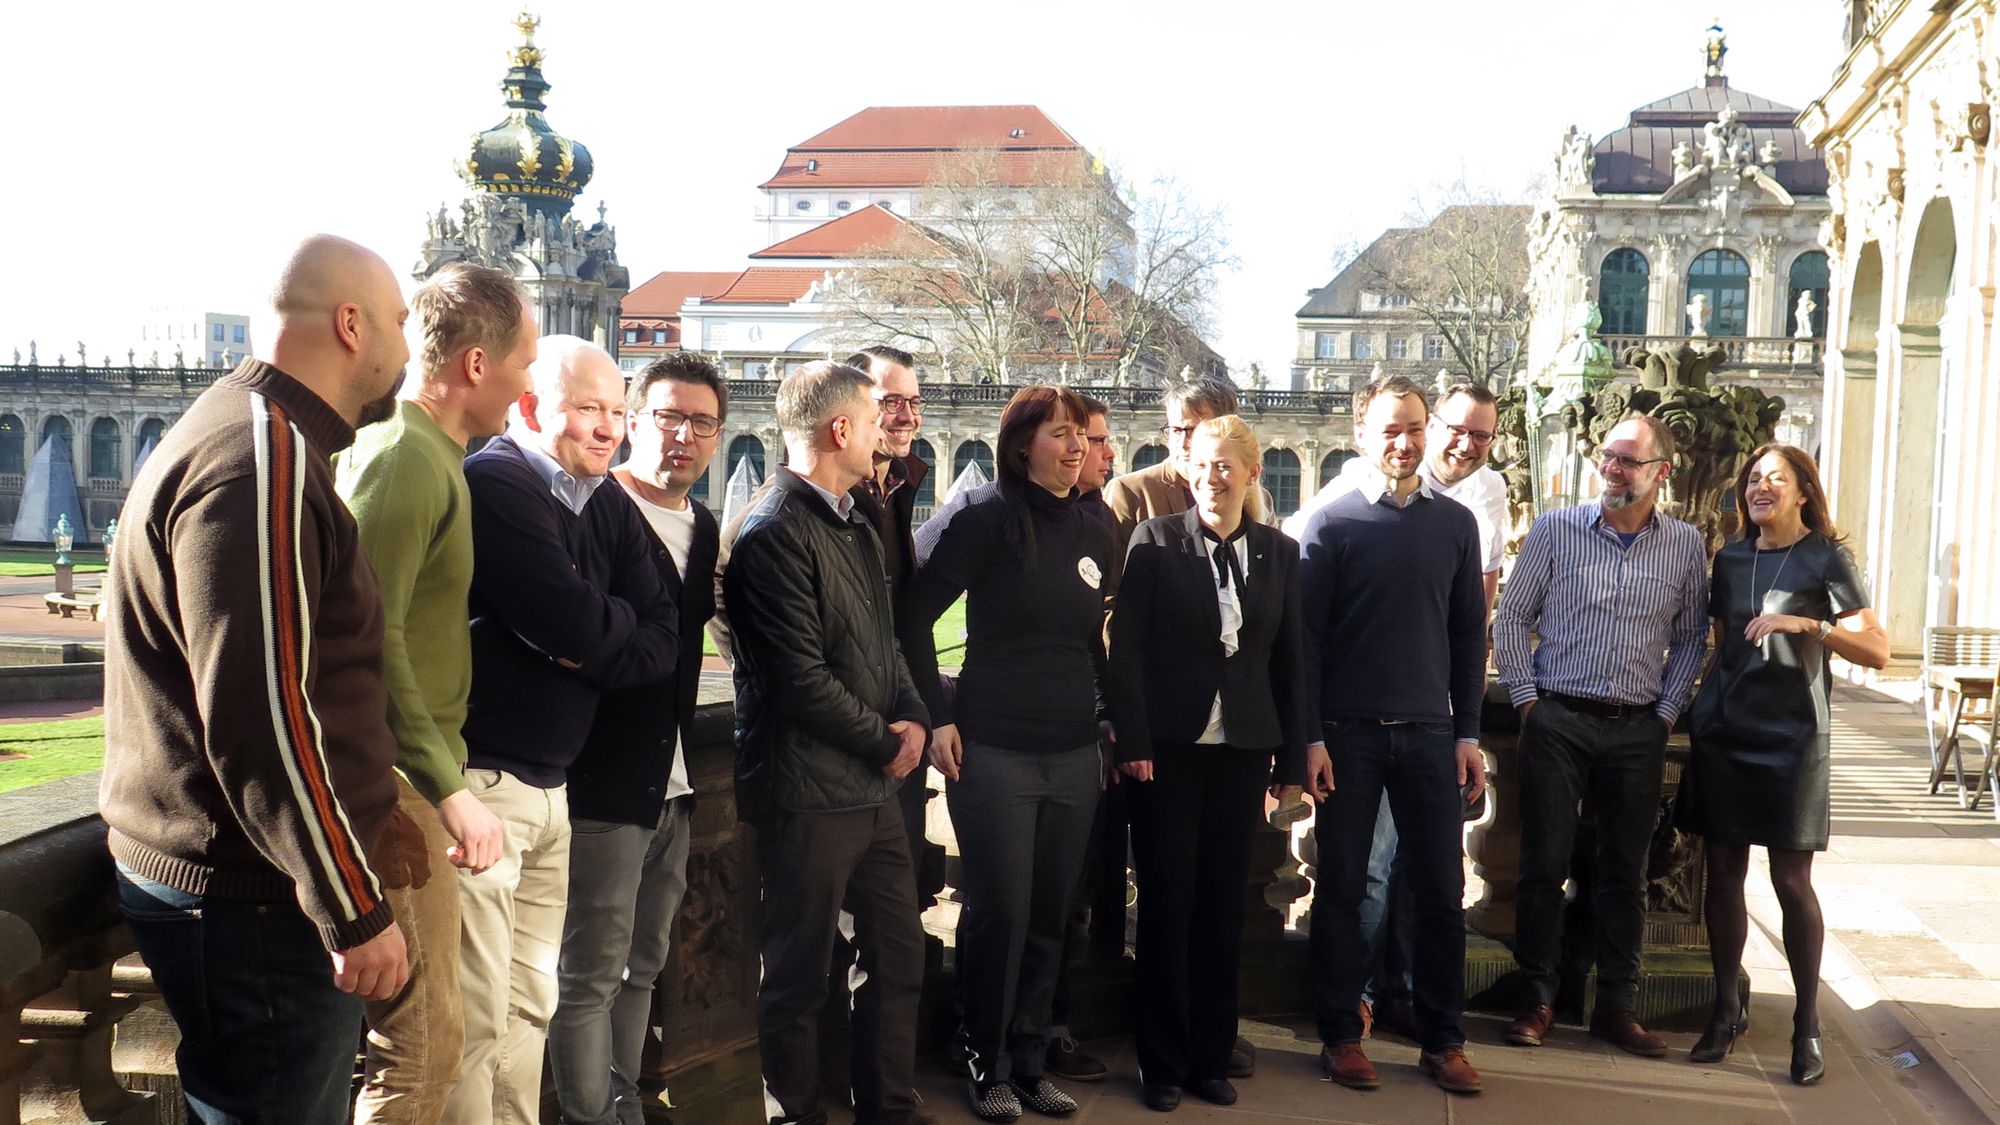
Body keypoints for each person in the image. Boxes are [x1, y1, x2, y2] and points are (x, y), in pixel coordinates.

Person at [100, 233, 412, 1124]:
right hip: (257, 903)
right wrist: (350, 904)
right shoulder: (259, 456)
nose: (405, 345)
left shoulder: (254, 435)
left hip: (248, 889)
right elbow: (262, 716)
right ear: (350, 325)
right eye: (396, 320)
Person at [444, 336, 679, 1124]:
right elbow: (569, 617)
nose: (608, 428)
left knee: (529, 1009)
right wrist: (592, 631)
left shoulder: (602, 500)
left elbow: (662, 634)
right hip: (484, 786)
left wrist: (590, 635)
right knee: (475, 1019)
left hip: (554, 787)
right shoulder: (497, 482)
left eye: (617, 411)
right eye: (589, 409)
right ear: (533, 406)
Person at [335, 261, 534, 1124]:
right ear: (479, 366)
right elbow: (368, 643)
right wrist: (448, 790)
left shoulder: (431, 453)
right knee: (420, 1049)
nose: (529, 388)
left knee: (439, 1042)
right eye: (525, 365)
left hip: (417, 777)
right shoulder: (407, 458)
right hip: (400, 788)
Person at [900, 384, 1116, 1122]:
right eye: (1062, 434)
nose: (1077, 446)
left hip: (1072, 751)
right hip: (993, 747)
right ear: (1023, 443)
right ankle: (982, 1055)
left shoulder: (1096, 524)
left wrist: (1110, 721)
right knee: (1001, 910)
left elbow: (1093, 640)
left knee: (1053, 912)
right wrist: (937, 716)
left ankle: (1028, 1058)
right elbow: (913, 618)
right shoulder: (986, 516)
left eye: (1083, 435)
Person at [725, 360, 934, 1125]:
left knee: (898, 956)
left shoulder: (853, 516)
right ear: (841, 428)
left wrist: (910, 712)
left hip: (872, 789)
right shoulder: (774, 527)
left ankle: (888, 1108)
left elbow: (887, 642)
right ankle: (797, 1115)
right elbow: (797, 679)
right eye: (877, 419)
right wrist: (888, 741)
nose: (888, 432)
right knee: (798, 975)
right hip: (807, 790)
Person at [1285, 382, 1508, 1040]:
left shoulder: (1455, 523)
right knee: (1347, 887)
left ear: (1426, 430)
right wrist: (1311, 738)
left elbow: (1471, 635)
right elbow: (1307, 643)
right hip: (1349, 736)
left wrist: (1467, 732)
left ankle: (1445, 1037)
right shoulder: (1334, 521)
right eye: (1389, 430)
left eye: (1412, 428)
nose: (1404, 442)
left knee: (1441, 892)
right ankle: (1341, 1031)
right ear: (1363, 436)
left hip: (1430, 737)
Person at [1110, 414, 1309, 1112]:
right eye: (1202, 464)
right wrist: (1132, 741)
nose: (1213, 476)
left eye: (1227, 465)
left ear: (1251, 473)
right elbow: (1125, 650)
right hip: (1165, 751)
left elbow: (1292, 662)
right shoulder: (1155, 541)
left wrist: (1292, 753)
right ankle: (1160, 1062)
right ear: (1188, 469)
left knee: (1225, 908)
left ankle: (1209, 1056)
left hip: (1244, 752)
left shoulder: (1280, 554)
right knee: (1166, 904)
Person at [1494, 413, 1708, 1059]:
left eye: (1627, 460)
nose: (1612, 469)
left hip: (1636, 728)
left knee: (1625, 873)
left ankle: (1617, 1005)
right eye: (1606, 457)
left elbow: (1693, 634)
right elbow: (1511, 618)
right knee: (1542, 866)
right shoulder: (1556, 530)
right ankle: (1538, 997)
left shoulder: (1685, 544)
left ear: (1660, 472)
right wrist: (1530, 703)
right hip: (1559, 719)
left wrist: (1667, 710)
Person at [548, 352, 725, 1124]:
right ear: (632, 422)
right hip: (601, 783)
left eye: (702, 422)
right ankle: (594, 1116)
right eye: (668, 416)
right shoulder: (591, 509)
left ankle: (627, 1100)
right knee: (588, 973)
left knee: (644, 966)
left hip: (676, 781)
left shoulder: (705, 525)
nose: (684, 436)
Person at [1676, 443, 1888, 1084]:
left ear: (1802, 491)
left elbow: (1878, 649)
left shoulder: (1828, 558)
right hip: (1725, 731)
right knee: (1722, 872)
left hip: (1794, 739)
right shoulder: (1729, 558)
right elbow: (1721, 647)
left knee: (1792, 883)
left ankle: (1807, 1023)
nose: (1760, 487)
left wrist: (1809, 626)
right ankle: (1724, 1009)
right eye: (1753, 479)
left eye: (1775, 478)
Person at [1102, 376, 1240, 550]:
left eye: (1193, 430)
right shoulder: (1130, 492)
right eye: (1175, 430)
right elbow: (1114, 572)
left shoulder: (1255, 498)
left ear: (1227, 431)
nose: (1182, 444)